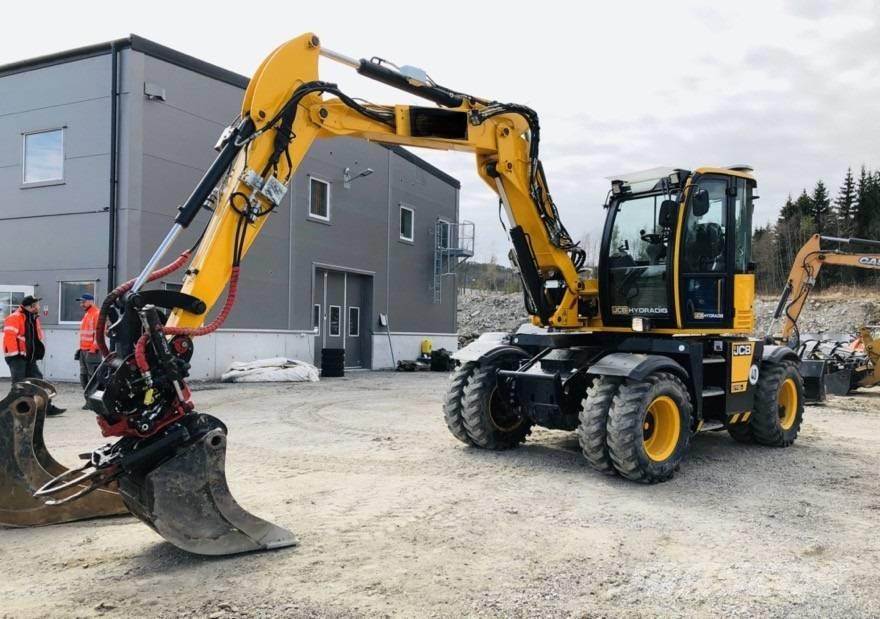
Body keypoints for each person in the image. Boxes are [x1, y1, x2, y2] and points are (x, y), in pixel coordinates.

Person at [3, 295, 65, 415]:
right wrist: (16, 356)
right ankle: (17, 411)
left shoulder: (33, 317)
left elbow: (34, 338)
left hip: (29, 358)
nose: (39, 306)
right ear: (31, 306)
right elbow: (10, 338)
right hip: (17, 358)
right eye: (37, 304)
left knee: (38, 381)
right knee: (19, 384)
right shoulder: (14, 318)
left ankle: (46, 408)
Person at [77, 293, 103, 408]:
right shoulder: (88, 314)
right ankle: (88, 401)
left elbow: (99, 334)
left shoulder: (96, 314)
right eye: (81, 302)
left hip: (92, 352)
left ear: (91, 301)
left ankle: (94, 402)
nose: (81, 304)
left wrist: (93, 348)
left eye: (83, 302)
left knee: (93, 377)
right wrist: (81, 349)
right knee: (84, 376)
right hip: (84, 351)